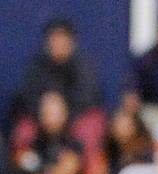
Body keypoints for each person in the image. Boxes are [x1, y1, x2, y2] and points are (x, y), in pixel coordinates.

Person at [11, 19, 106, 157]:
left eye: (62, 38)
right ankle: (27, 171)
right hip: (43, 117)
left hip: (75, 117)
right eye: (54, 39)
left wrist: (62, 113)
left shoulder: (84, 66)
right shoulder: (36, 66)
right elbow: (28, 97)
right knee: (24, 131)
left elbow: (87, 98)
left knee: (89, 128)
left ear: (71, 42)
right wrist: (45, 112)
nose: (58, 43)